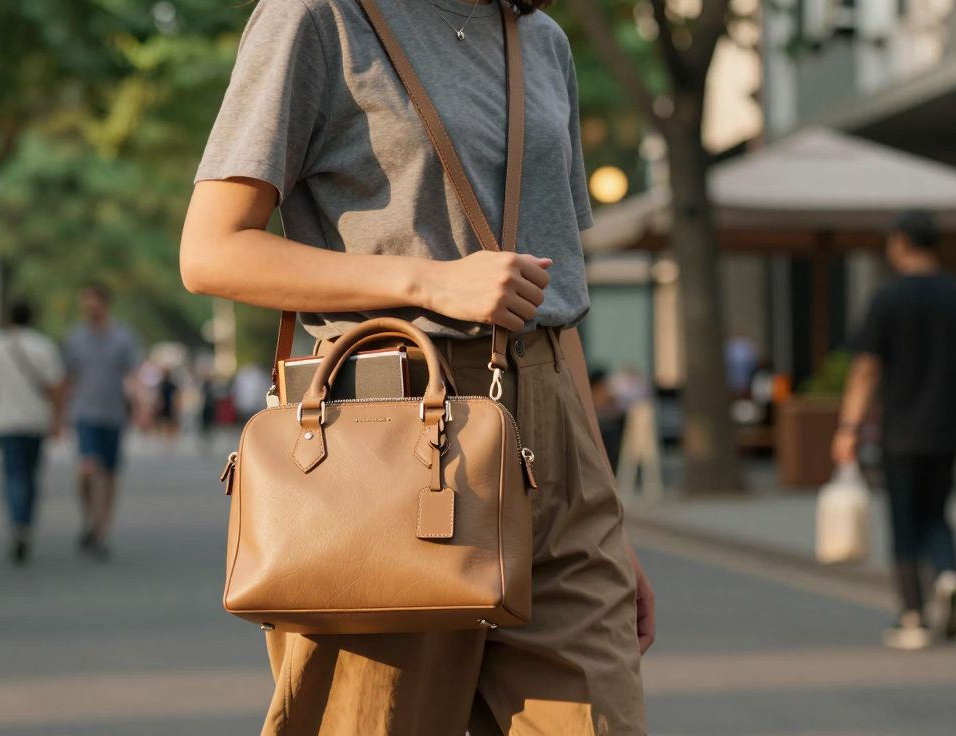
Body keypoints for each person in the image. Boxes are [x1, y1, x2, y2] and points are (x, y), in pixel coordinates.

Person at [181, 1, 652, 733]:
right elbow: (211, 252)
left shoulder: (539, 39)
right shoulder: (317, 18)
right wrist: (429, 282)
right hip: (392, 434)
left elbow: (556, 302)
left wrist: (608, 517)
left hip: (555, 440)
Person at [834, 209, 956, 650]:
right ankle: (949, 574)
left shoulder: (887, 299)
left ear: (902, 242)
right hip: (948, 429)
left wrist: (848, 427)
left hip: (902, 429)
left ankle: (913, 617)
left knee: (905, 521)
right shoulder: (955, 294)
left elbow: (866, 370)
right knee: (938, 511)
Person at [0, 301, 65, 566]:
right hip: (36, 421)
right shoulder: (44, 346)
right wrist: (58, 419)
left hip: (4, 421)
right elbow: (55, 387)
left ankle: (17, 523)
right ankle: (25, 522)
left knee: (13, 475)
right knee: (30, 474)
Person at [64, 285, 140, 561]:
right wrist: (59, 415)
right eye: (85, 305)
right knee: (87, 469)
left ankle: (100, 530)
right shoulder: (75, 339)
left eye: (93, 305)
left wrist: (142, 405)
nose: (89, 310)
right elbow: (67, 378)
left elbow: (132, 374)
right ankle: (89, 518)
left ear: (105, 304)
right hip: (84, 414)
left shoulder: (122, 337)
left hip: (113, 414)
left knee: (108, 475)